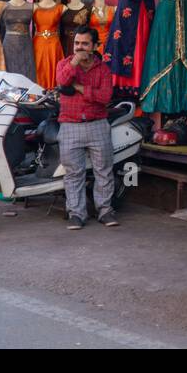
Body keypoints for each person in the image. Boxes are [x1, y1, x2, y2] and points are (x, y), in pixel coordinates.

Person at [55, 26, 119, 230]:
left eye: (84, 44)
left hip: (97, 124)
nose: (79, 48)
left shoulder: (103, 70)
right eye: (76, 43)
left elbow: (105, 97)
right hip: (70, 124)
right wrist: (74, 62)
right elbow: (62, 81)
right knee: (74, 173)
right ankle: (76, 213)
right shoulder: (64, 64)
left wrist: (79, 88)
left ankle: (105, 210)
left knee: (104, 171)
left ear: (94, 46)